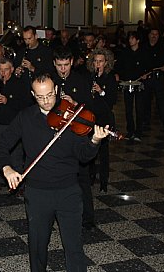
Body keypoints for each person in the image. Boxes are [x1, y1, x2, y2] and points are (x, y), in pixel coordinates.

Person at [0, 74, 109, 272]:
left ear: (56, 90)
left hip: (68, 192)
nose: (46, 101)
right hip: (37, 193)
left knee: (74, 248)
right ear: (32, 95)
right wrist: (7, 168)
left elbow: (84, 156)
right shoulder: (25, 118)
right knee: (38, 244)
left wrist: (95, 141)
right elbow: (0, 144)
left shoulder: (72, 117)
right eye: (40, 97)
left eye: (50, 95)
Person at [51, 46, 96, 228]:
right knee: (56, 177)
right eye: (59, 65)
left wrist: (75, 103)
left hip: (76, 133)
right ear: (54, 63)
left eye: (66, 65)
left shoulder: (81, 80)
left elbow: (91, 107)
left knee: (82, 178)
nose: (63, 69)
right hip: (56, 133)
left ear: (71, 63)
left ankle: (87, 218)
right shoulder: (50, 81)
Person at [0, 57, 31, 189]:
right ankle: (1, 180)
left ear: (12, 69)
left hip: (13, 126)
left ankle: (18, 183)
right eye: (0, 70)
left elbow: (26, 105)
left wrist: (8, 101)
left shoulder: (20, 84)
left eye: (6, 70)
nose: (3, 73)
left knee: (15, 156)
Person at [88, 48, 117, 193]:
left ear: (106, 63)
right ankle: (91, 177)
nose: (97, 64)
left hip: (104, 118)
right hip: (91, 117)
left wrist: (101, 91)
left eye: (100, 61)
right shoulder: (90, 76)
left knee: (104, 152)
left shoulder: (110, 77)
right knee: (90, 148)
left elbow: (112, 100)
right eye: (95, 61)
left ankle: (104, 182)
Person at [114, 31, 149, 141]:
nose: (130, 40)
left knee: (139, 108)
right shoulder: (125, 52)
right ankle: (130, 130)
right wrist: (117, 74)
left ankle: (139, 132)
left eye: (133, 38)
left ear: (138, 40)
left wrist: (145, 74)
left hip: (139, 84)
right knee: (128, 108)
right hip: (127, 83)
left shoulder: (143, 53)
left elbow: (148, 67)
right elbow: (118, 66)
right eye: (129, 38)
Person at [143, 28, 164, 127]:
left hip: (158, 77)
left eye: (156, 34)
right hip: (147, 77)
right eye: (152, 34)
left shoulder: (162, 47)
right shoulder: (144, 47)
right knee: (146, 99)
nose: (154, 36)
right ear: (149, 35)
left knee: (161, 99)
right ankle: (146, 120)